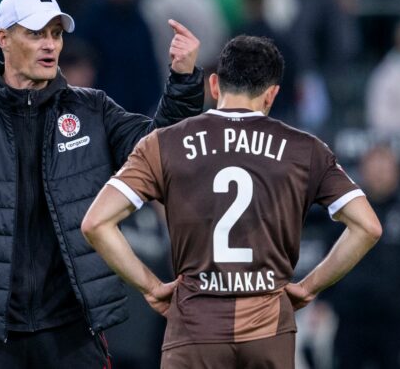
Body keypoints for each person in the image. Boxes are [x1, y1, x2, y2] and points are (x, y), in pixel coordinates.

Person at [0, 0, 204, 368]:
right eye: (36, 33)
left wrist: (183, 80)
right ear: (3, 39)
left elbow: (161, 154)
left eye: (56, 34)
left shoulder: (92, 110)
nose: (50, 45)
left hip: (71, 331)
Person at [82, 35, 382, 368]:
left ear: (214, 84)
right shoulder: (305, 149)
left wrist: (150, 287)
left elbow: (96, 223)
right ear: (272, 95)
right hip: (269, 330)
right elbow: (367, 227)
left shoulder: (163, 143)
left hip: (195, 327)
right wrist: (310, 287)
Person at [324, 146, 400, 369]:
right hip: (351, 317)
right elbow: (327, 260)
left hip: (395, 317)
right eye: (375, 167)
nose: (380, 173)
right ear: (363, 171)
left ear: (397, 172)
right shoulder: (344, 212)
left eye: (386, 167)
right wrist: (321, 300)